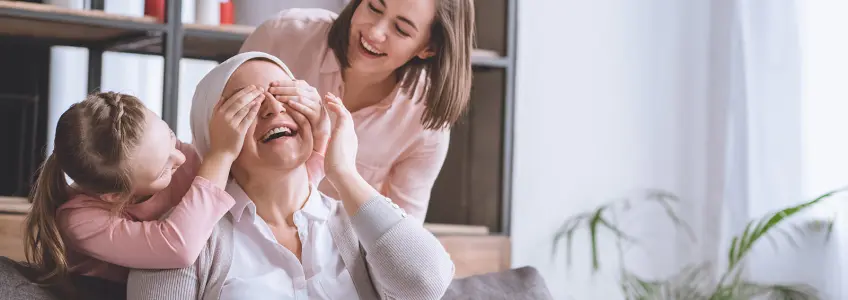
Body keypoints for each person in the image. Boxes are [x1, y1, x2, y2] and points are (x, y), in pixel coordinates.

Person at [126, 51, 454, 300]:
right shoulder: (178, 239)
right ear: (211, 137)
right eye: (247, 103)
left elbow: (426, 284)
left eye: (284, 93)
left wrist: (343, 172)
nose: (273, 108)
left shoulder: (358, 225)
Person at [239, 0, 475, 220]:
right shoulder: (283, 36)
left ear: (429, 48)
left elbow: (402, 235)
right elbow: (211, 136)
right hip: (241, 221)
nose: (374, 32)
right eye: (374, 7)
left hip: (338, 255)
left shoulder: (424, 119)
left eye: (401, 29)